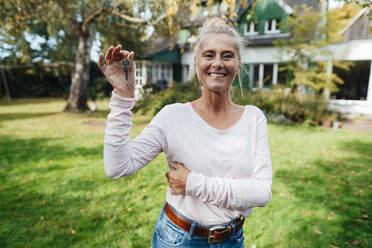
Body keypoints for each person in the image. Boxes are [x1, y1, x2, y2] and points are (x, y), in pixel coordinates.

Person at [98, 18, 272, 248]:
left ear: (238, 64)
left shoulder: (253, 118)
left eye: (227, 56)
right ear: (196, 62)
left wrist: (193, 183)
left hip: (232, 240)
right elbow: (117, 167)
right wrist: (122, 97)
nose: (217, 63)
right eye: (209, 55)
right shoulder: (173, 116)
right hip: (178, 239)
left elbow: (261, 192)